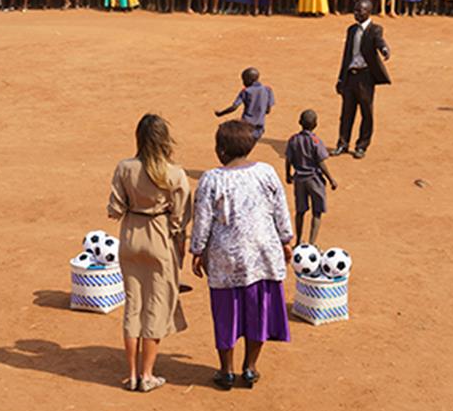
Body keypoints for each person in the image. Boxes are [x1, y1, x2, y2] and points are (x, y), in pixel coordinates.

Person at [190, 120, 293, 391]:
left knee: (225, 314)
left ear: (221, 150)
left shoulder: (211, 179)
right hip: (263, 257)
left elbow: (202, 219)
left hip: (227, 261)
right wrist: (286, 240)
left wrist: (197, 250)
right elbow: (281, 209)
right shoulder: (266, 172)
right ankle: (250, 367)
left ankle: (226, 371)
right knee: (259, 312)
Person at [107, 114, 192, 393]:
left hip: (130, 236)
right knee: (155, 305)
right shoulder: (175, 173)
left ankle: (131, 374)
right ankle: (147, 375)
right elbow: (180, 217)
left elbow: (114, 210)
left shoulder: (125, 168)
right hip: (159, 236)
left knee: (133, 305)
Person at [334, 0, 391, 159]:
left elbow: (380, 42)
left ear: (369, 12)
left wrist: (385, 50)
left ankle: (361, 145)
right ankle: (342, 144)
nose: (356, 13)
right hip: (350, 76)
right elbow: (346, 56)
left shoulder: (375, 29)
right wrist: (340, 78)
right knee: (346, 113)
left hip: (365, 77)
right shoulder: (351, 30)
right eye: (355, 10)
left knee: (366, 112)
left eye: (360, 11)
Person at [285, 109, 337, 246]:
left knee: (300, 211)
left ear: (300, 122)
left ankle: (298, 241)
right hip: (314, 179)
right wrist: (331, 179)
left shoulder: (293, 140)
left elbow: (288, 159)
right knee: (317, 211)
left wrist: (288, 175)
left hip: (299, 179)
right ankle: (312, 243)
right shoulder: (315, 141)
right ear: (315, 124)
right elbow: (321, 162)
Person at [214, 67, 275, 139]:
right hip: (259, 128)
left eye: (244, 80)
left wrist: (220, 113)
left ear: (249, 80)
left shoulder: (246, 91)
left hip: (246, 127)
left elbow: (234, 107)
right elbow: (268, 111)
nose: (243, 82)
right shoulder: (268, 90)